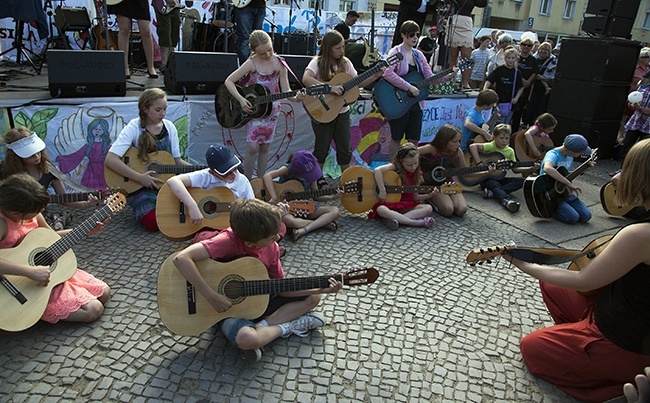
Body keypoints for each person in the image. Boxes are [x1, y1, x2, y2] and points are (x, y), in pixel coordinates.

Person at [504, 138, 650, 402]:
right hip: (619, 312)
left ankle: (619, 385)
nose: (619, 176)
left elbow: (583, 280)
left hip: (625, 342)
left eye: (626, 170)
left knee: (533, 348)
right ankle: (579, 344)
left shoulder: (641, 236)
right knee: (553, 284)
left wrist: (526, 265)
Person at [172, 198, 343, 361]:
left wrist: (321, 288)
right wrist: (212, 296)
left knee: (314, 297)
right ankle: (285, 326)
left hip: (259, 300)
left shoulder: (272, 248)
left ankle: (266, 326)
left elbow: (281, 288)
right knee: (247, 339)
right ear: (251, 244)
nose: (277, 239)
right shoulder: (227, 241)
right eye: (271, 238)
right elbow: (181, 259)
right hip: (223, 309)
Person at [0, 173, 111, 325]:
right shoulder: (2, 224)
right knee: (93, 310)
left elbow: (50, 237)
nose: (38, 214)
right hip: (23, 284)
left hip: (45, 273)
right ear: (16, 214)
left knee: (105, 293)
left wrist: (84, 230)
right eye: (34, 213)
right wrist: (29, 271)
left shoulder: (32, 214)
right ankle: (33, 310)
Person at [104, 88, 192, 231]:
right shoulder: (134, 127)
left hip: (164, 183)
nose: (163, 114)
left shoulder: (169, 127)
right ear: (145, 109)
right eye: (158, 110)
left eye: (165, 109)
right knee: (153, 222)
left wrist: (200, 170)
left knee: (188, 208)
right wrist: (140, 178)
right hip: (138, 187)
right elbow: (110, 159)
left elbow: (177, 161)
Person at [224, 30, 303, 179]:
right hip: (254, 109)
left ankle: (260, 182)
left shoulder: (280, 63)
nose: (267, 55)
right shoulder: (251, 63)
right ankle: (247, 182)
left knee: (265, 147)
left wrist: (296, 98)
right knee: (252, 147)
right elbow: (229, 81)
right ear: (254, 52)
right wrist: (241, 99)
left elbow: (286, 90)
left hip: (271, 110)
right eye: (262, 53)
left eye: (269, 50)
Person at [302, 30, 383, 172]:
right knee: (321, 150)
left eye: (342, 47)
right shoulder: (317, 62)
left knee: (345, 151)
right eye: (337, 48)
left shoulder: (346, 63)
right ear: (328, 48)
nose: (341, 51)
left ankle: (346, 182)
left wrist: (375, 75)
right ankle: (315, 185)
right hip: (323, 112)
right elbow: (306, 79)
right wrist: (329, 88)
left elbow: (357, 82)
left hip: (342, 113)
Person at [1, 127, 100, 226]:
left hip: (39, 218)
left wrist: (86, 204)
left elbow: (64, 199)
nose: (37, 156)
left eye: (38, 151)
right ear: (15, 156)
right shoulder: (3, 170)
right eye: (30, 154)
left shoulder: (49, 170)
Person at [166, 144, 256, 242]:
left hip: (232, 227)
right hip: (208, 229)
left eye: (235, 168)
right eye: (227, 173)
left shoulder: (242, 181)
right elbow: (173, 181)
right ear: (213, 172)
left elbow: (252, 208)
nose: (233, 174)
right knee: (205, 238)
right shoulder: (205, 176)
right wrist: (193, 207)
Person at [382, 20, 434, 160]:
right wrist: (408, 87)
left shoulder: (419, 55)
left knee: (414, 138)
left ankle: (411, 166)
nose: (415, 38)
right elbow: (387, 73)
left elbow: (430, 76)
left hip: (416, 103)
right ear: (403, 35)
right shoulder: (396, 51)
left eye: (417, 35)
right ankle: (393, 167)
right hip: (399, 102)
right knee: (396, 137)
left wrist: (448, 75)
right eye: (412, 35)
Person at [262, 150, 340, 242]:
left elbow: (316, 196)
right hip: (287, 210)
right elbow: (267, 176)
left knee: (335, 211)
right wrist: (274, 196)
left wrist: (332, 197)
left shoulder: (312, 174)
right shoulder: (288, 168)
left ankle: (303, 230)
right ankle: (322, 224)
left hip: (305, 207)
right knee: (289, 221)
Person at [369, 143, 436, 230]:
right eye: (409, 165)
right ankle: (415, 222)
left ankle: (396, 219)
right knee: (381, 209)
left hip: (406, 206)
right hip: (390, 204)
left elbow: (415, 197)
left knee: (428, 208)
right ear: (401, 162)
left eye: (416, 163)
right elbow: (377, 170)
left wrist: (429, 195)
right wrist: (382, 189)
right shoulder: (394, 167)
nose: (413, 167)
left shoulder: (417, 175)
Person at [469, 123, 532, 213]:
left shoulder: (510, 151)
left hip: (500, 178)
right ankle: (506, 201)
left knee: (521, 181)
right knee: (493, 183)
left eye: (506, 138)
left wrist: (529, 169)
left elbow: (515, 169)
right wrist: (479, 163)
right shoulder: (492, 145)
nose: (504, 141)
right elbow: (472, 146)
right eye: (501, 138)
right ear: (494, 137)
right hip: (486, 178)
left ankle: (492, 193)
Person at [539, 134, 594, 224]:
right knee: (573, 218)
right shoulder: (553, 154)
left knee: (586, 216)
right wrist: (568, 183)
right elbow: (548, 168)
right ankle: (549, 209)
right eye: (580, 152)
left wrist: (584, 169)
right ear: (571, 152)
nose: (582, 154)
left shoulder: (569, 156)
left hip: (563, 192)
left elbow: (564, 174)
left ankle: (565, 207)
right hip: (550, 193)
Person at [418, 124, 468, 217]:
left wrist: (486, 172)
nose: (458, 144)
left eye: (459, 141)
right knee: (448, 210)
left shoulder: (458, 151)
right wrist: (419, 172)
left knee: (461, 210)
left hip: (449, 184)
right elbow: (410, 153)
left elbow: (465, 172)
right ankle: (430, 198)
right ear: (444, 141)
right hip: (433, 185)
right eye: (454, 142)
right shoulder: (432, 149)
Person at [55, 118, 112, 191]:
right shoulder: (88, 146)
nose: (97, 131)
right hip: (90, 173)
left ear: (104, 131)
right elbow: (76, 156)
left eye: (100, 129)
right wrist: (62, 159)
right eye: (95, 129)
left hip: (103, 172)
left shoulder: (107, 147)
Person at [107, 0, 158, 78]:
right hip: (122, 2)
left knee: (146, 31)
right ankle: (125, 67)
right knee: (124, 30)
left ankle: (151, 66)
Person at [445, 0, 487, 90]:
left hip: (466, 22)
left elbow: (483, 4)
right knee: (453, 56)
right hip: (454, 20)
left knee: (466, 56)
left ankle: (465, 83)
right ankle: (451, 82)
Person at [484, 46, 524, 125]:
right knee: (497, 122)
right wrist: (485, 90)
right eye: (508, 58)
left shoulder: (517, 72)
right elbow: (489, 80)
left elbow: (521, 87)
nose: (510, 60)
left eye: (513, 58)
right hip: (499, 101)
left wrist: (516, 98)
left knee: (506, 123)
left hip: (510, 102)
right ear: (505, 58)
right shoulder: (500, 70)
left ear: (516, 59)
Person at [510, 36, 538, 132]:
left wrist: (528, 81)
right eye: (524, 44)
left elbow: (535, 72)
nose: (526, 47)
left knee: (519, 110)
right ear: (520, 45)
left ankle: (514, 131)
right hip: (513, 86)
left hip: (526, 88)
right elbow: (513, 69)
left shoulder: (533, 60)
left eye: (529, 45)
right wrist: (521, 79)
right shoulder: (516, 57)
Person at [621, 71, 650, 162]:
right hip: (635, 122)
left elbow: (648, 111)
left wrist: (640, 108)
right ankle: (622, 169)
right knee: (627, 146)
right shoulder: (643, 88)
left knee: (644, 152)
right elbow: (631, 102)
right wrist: (632, 105)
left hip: (648, 126)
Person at [526, 41, 555, 122]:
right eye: (542, 49)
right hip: (533, 89)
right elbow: (533, 74)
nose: (543, 51)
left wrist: (542, 78)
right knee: (531, 108)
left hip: (544, 91)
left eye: (546, 50)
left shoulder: (552, 61)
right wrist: (543, 78)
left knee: (540, 110)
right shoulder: (534, 60)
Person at [232, 0, 265, 65]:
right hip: (244, 6)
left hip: (260, 5)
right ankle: (245, 69)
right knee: (245, 38)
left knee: (258, 39)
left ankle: (256, 67)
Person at [155, 1, 182, 69]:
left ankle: (169, 64)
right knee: (165, 34)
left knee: (174, 36)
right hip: (163, 4)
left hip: (175, 6)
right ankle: (164, 64)